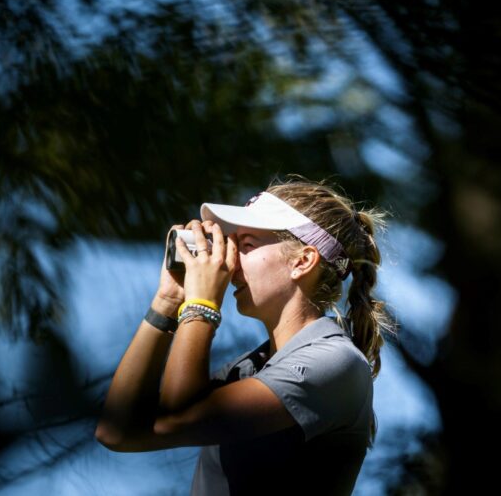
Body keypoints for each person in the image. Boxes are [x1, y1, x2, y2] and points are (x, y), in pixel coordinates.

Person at [95, 176, 394, 495]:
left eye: (246, 245)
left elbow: (180, 414)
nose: (230, 262)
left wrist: (201, 305)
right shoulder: (253, 369)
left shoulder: (334, 362)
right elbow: (118, 431)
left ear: (303, 261)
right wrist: (167, 303)